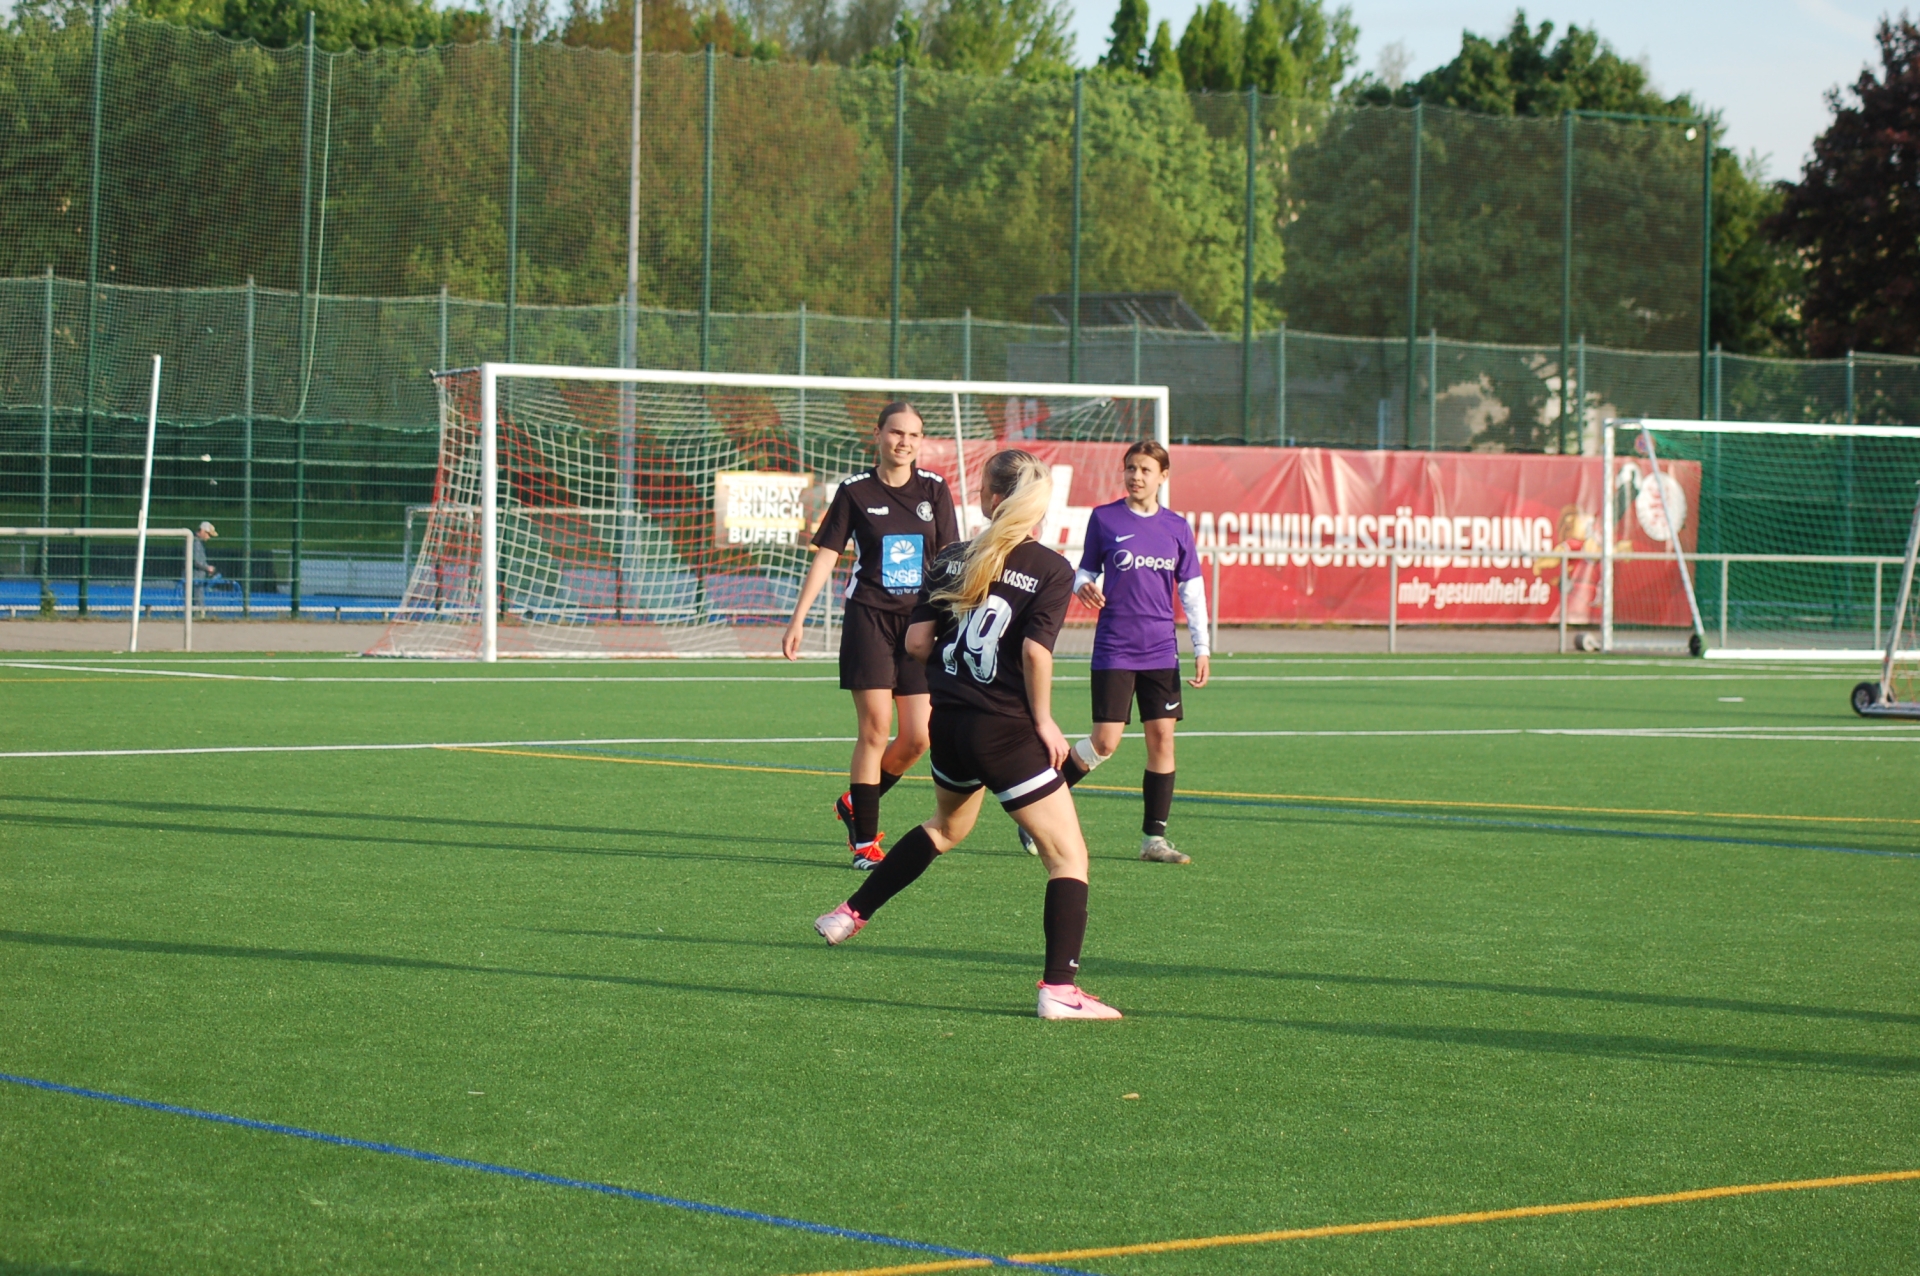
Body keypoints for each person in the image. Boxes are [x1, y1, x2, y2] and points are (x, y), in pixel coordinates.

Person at [813, 449, 1122, 1020]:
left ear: (992, 498)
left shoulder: (954, 556)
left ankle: (847, 915)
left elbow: (916, 644)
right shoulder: (1050, 567)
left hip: (948, 723)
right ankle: (1059, 990)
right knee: (1068, 856)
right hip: (1003, 730)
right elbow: (1035, 652)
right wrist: (1044, 720)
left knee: (946, 827)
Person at [784, 403, 960, 870]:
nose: (905, 442)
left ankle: (854, 802)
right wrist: (798, 618)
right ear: (878, 434)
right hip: (869, 620)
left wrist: (955, 617)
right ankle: (865, 842)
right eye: (896, 432)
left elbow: (949, 558)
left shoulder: (935, 489)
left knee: (918, 738)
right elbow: (826, 555)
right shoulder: (855, 491)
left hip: (921, 624)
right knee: (876, 728)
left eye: (914, 435)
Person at [1023, 440, 1209, 863]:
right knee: (1104, 743)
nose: (1136, 476)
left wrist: (1202, 646)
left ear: (1163, 476)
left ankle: (1153, 841)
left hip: (1161, 650)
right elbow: (1084, 570)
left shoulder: (1177, 527)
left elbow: (1192, 591)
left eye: (1145, 469)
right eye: (1130, 468)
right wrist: (1082, 585)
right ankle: (1037, 806)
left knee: (1162, 739)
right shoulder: (1104, 518)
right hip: (1115, 648)